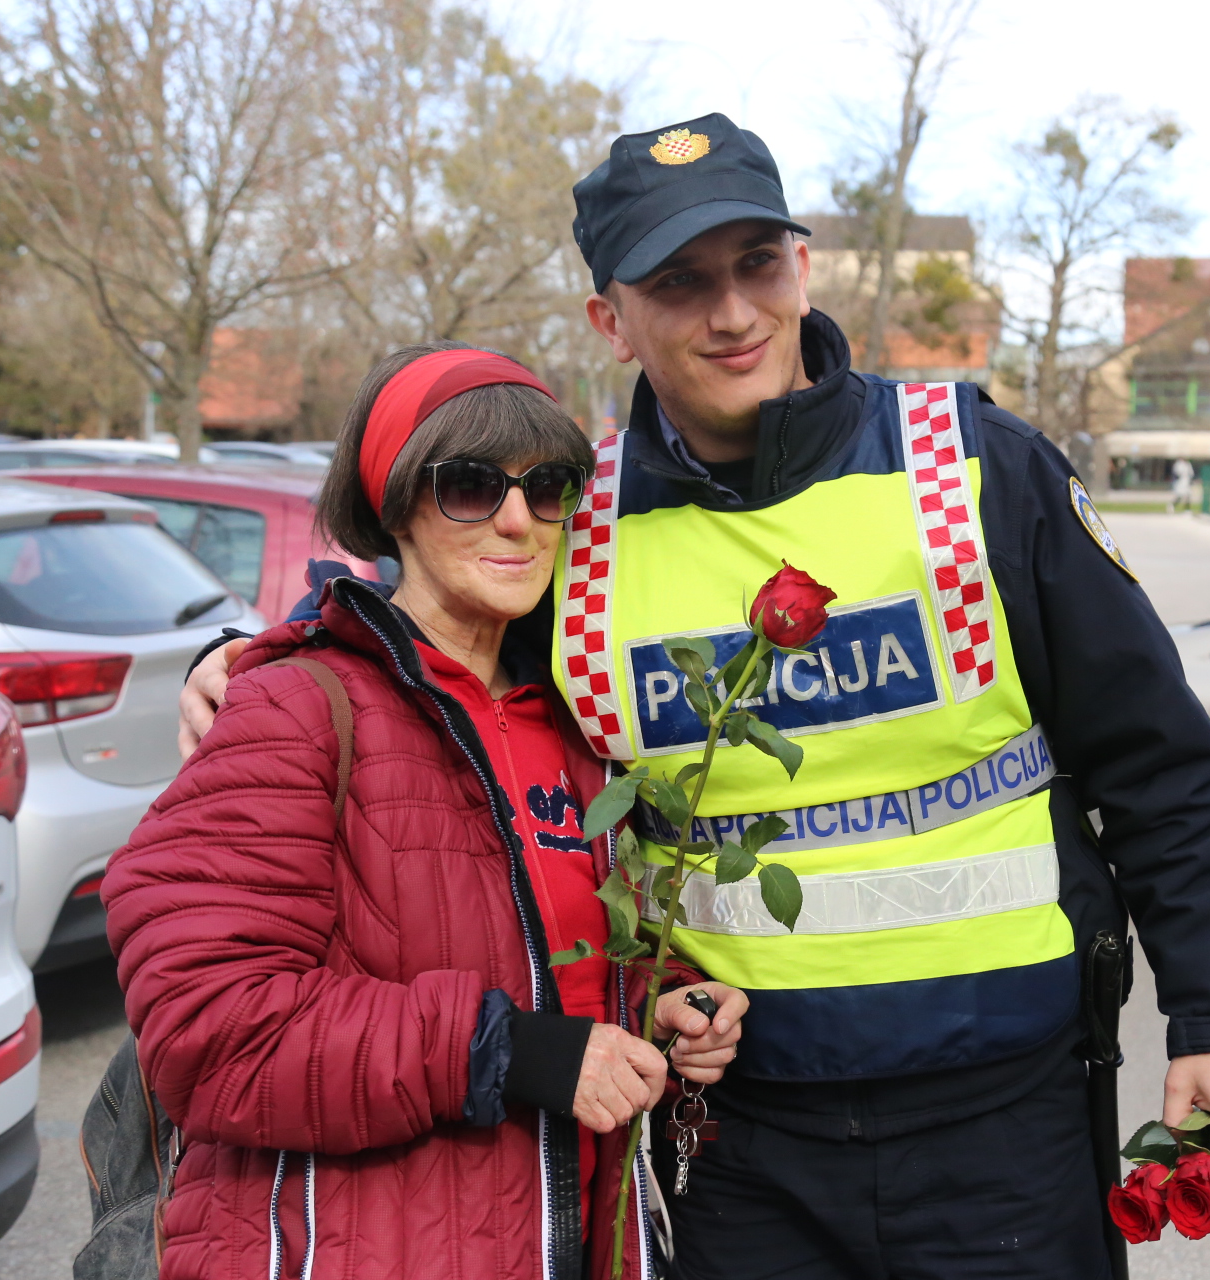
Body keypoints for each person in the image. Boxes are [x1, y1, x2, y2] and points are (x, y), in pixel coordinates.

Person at [181, 115, 1210, 1279]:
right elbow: (423, 626)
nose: (732, 311)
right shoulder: (578, 524)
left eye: (757, 263)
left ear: (801, 266)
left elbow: (1159, 768)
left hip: (1005, 1122)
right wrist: (247, 653)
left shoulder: (973, 467)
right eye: (679, 281)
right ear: (611, 320)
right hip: (735, 1141)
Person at [109, 342, 748, 1280]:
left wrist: (668, 1001)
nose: (519, 521)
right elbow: (207, 1027)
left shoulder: (575, 723)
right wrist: (508, 1053)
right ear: (396, 504)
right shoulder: (296, 706)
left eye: (549, 488)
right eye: (471, 486)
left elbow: (548, 959)